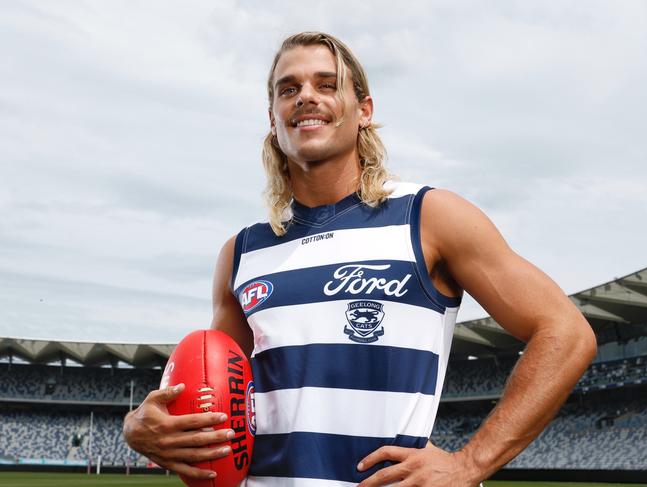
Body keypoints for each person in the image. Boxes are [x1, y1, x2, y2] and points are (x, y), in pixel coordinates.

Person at [123, 32, 596, 486]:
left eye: (326, 85)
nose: (306, 97)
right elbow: (209, 396)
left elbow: (567, 333)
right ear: (273, 117)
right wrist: (140, 426)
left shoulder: (429, 217)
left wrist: (469, 463)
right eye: (289, 89)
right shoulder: (242, 252)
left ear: (363, 110)